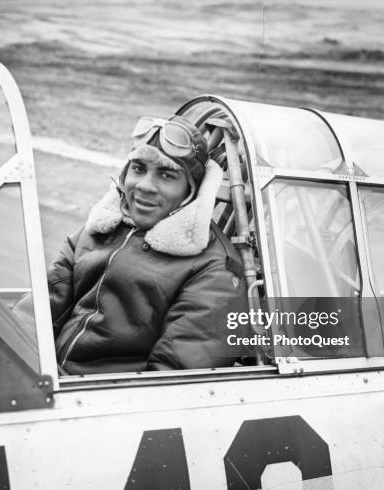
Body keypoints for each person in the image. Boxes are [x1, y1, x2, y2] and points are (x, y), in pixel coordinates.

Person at [47, 115, 246, 374]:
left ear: (192, 189)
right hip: (45, 378)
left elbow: (170, 381)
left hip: (101, 401)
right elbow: (38, 312)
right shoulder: (101, 228)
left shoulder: (215, 270)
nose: (144, 186)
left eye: (166, 174)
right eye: (138, 168)